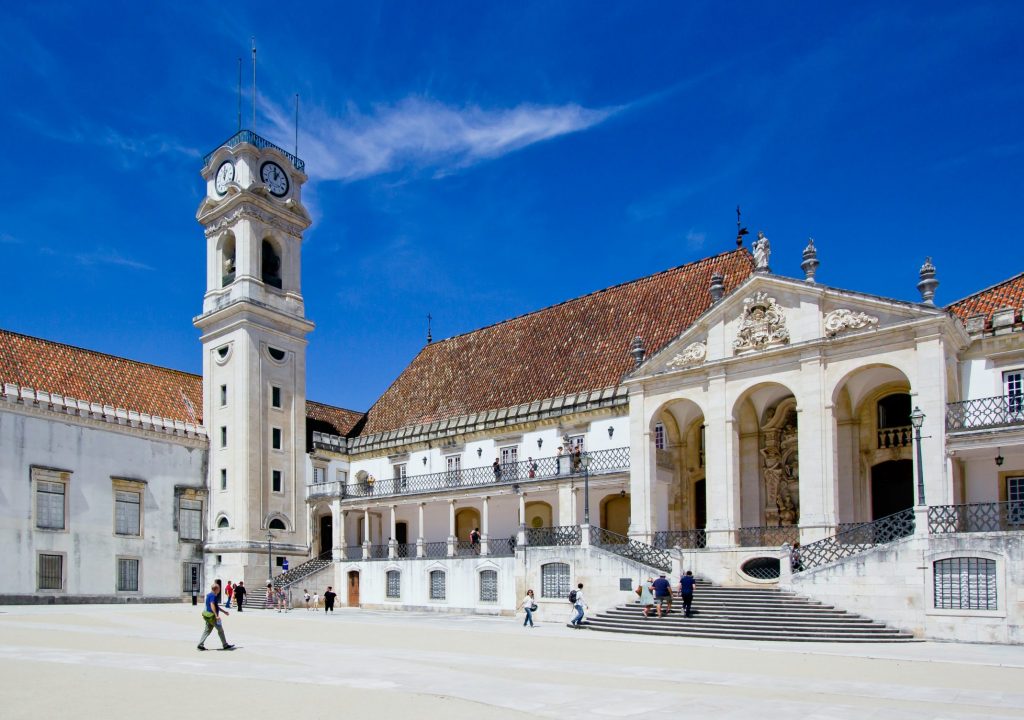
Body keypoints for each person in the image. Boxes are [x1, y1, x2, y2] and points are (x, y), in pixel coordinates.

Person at [198, 581, 235, 651]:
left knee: (207, 630)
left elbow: (216, 606)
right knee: (220, 630)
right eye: (219, 589)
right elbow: (212, 605)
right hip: (213, 617)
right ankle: (225, 645)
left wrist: (224, 612)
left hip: (208, 616)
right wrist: (216, 615)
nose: (219, 590)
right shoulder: (213, 596)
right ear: (215, 589)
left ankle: (200, 645)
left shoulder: (209, 595)